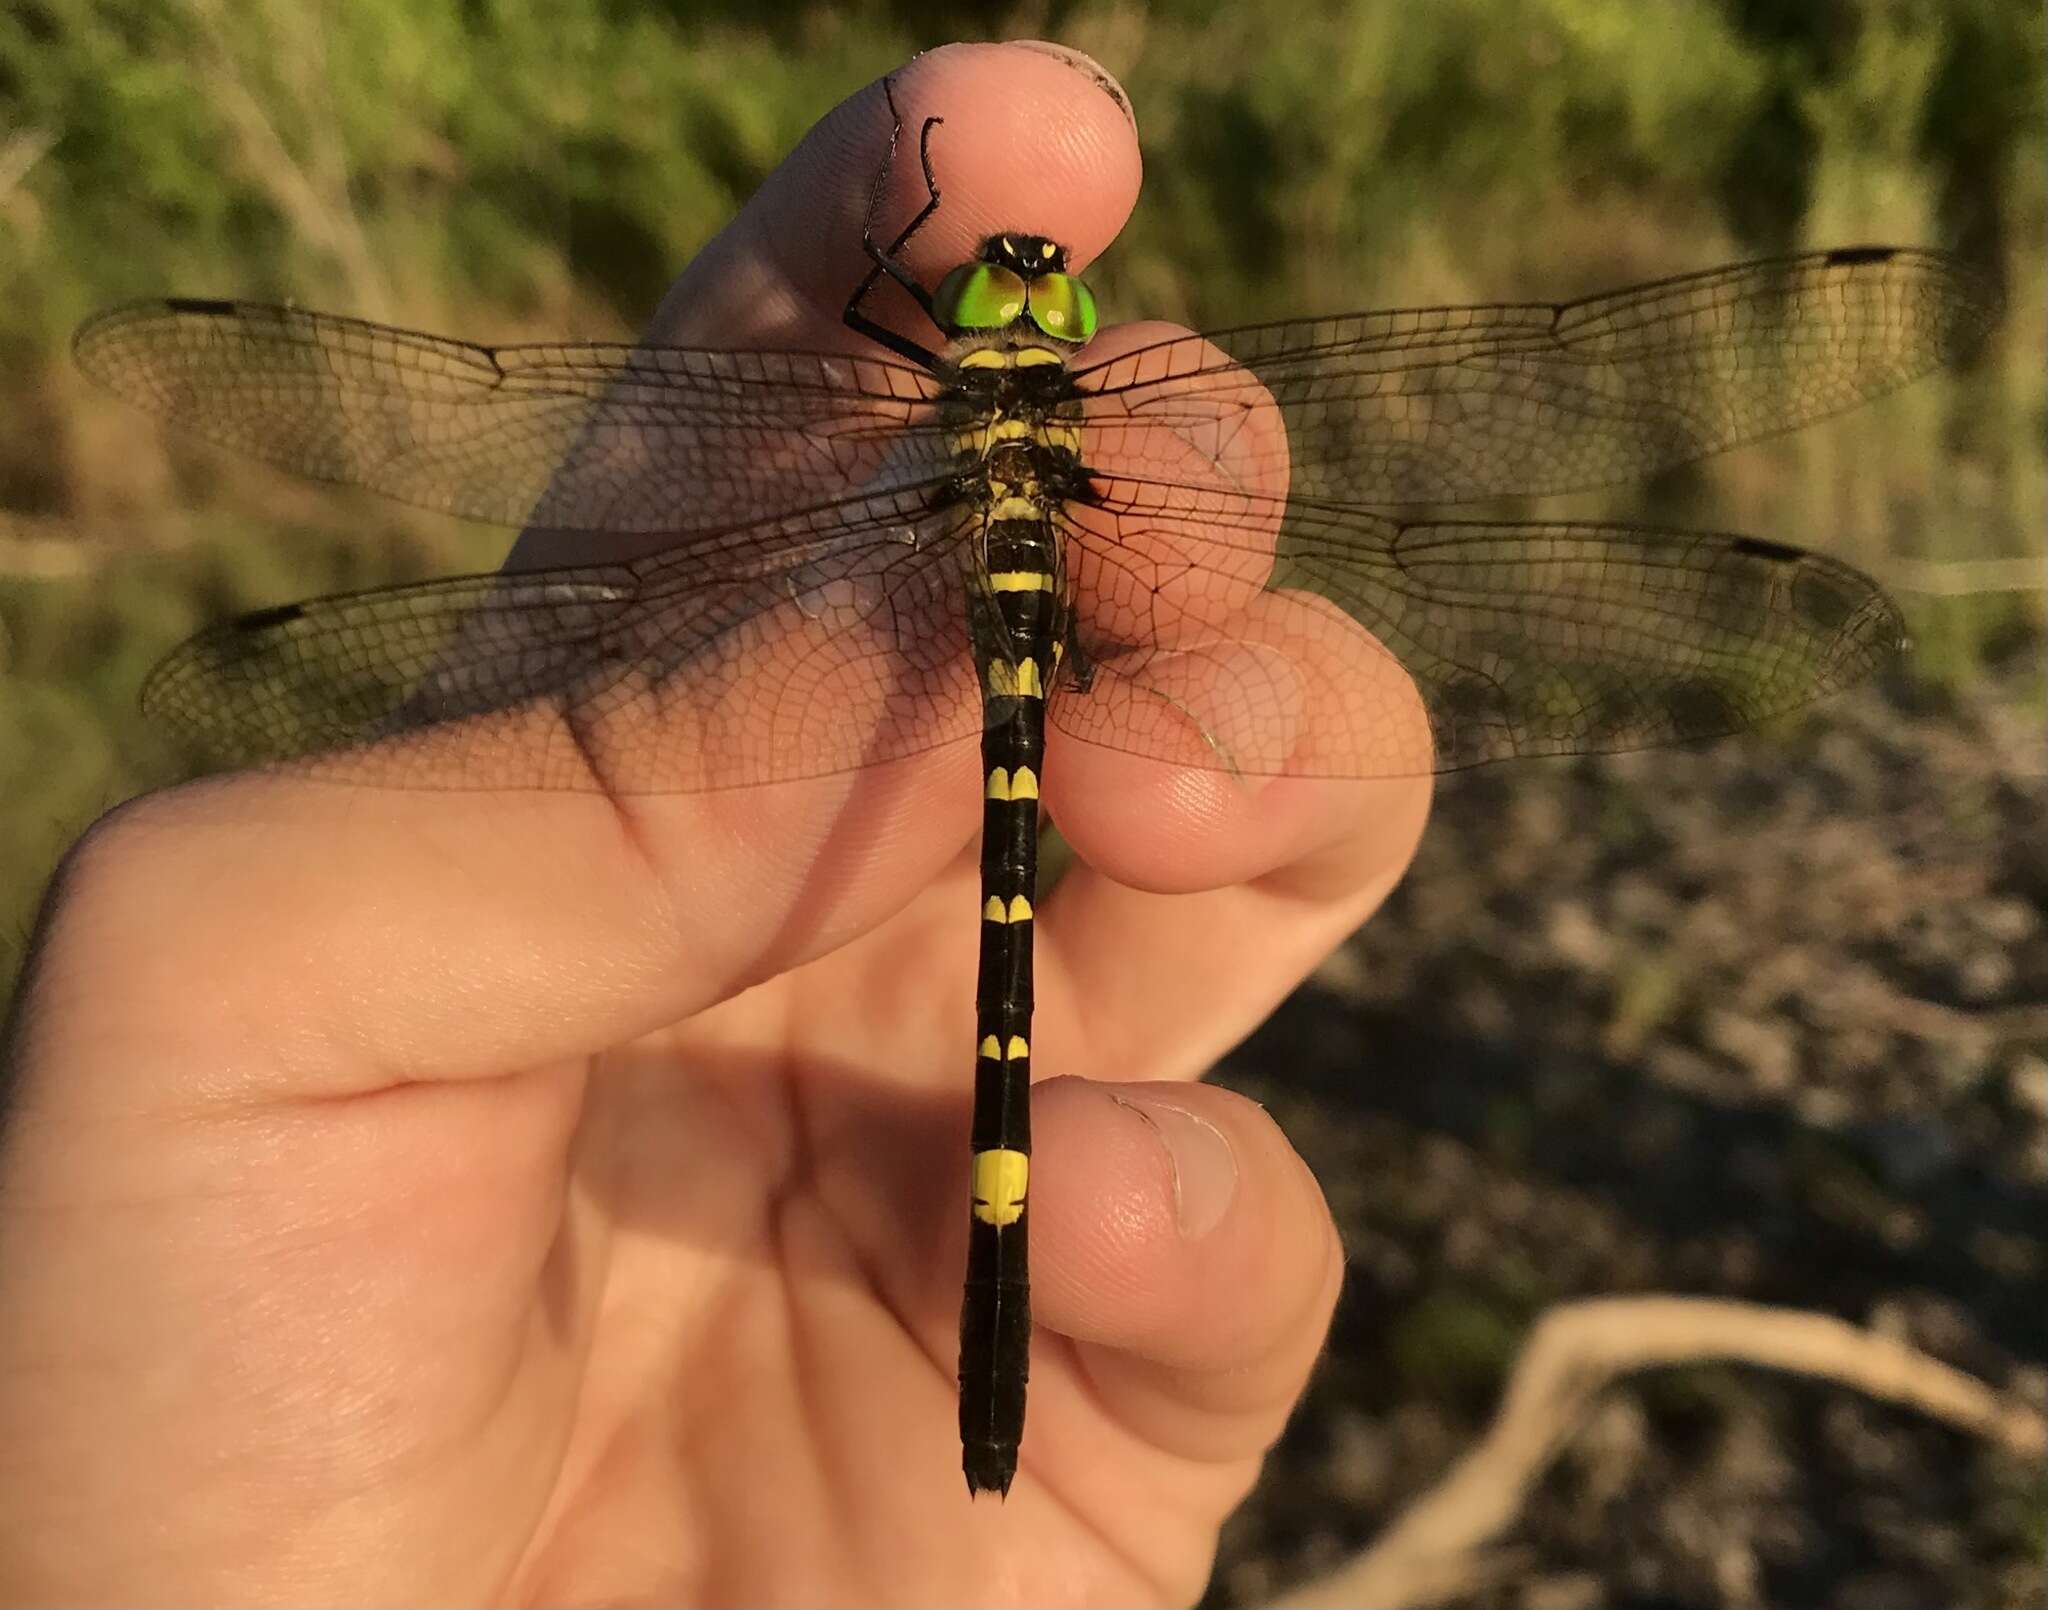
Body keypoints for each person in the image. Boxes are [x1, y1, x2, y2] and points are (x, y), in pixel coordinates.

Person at [0, 41, 1430, 1604]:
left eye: (1046, 302)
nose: (1023, 299)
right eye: (1003, 294)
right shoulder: (1022, 417)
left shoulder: (939, 384)